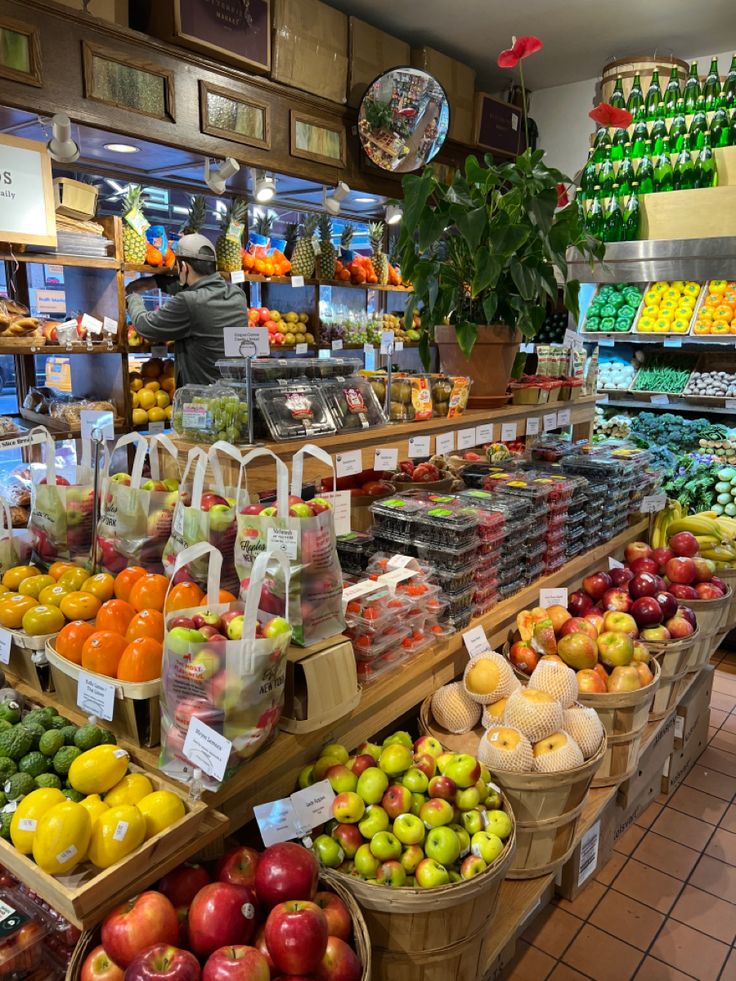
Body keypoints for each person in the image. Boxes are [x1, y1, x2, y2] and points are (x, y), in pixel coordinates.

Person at [125, 233, 248, 386]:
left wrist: (132, 296)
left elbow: (145, 327)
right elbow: (203, 287)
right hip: (233, 392)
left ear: (183, 267)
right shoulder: (238, 295)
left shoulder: (188, 301)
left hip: (200, 398)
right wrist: (157, 282)